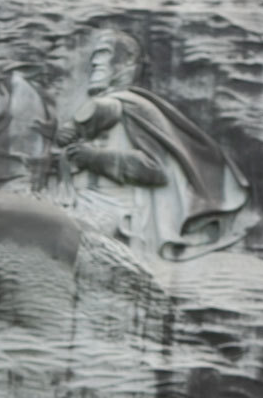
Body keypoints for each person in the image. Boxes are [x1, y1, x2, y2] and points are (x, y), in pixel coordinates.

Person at [53, 29, 249, 261]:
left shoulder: (135, 106)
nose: (95, 61)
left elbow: (155, 169)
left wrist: (94, 157)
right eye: (94, 54)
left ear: (126, 62)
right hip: (76, 200)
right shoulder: (99, 108)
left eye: (104, 53)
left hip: (116, 212)